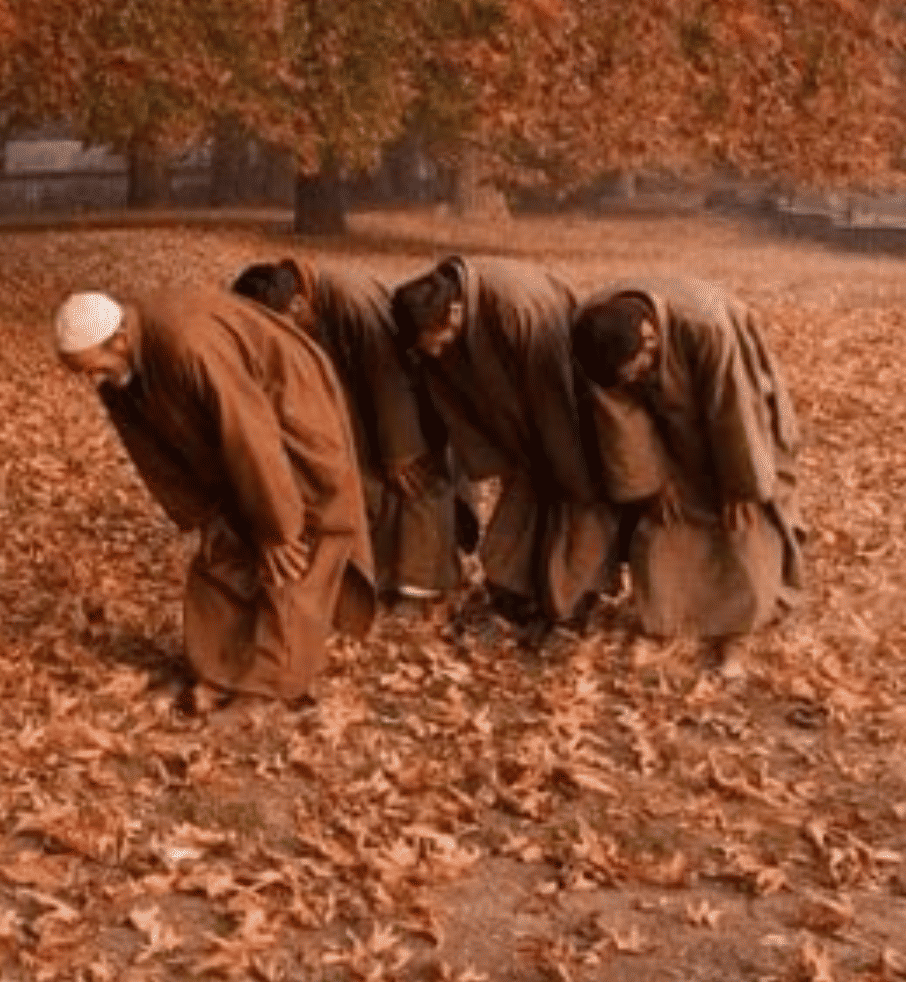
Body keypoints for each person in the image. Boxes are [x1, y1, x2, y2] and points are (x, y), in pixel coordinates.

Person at [52, 285, 378, 713]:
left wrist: (276, 527)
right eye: (84, 373)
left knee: (293, 557)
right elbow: (150, 450)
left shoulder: (189, 346)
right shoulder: (119, 367)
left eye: (94, 369)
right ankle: (221, 671)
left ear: (120, 339)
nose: (94, 382)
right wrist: (201, 509)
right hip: (235, 437)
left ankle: (270, 686)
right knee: (222, 544)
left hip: (292, 419)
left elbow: (250, 435)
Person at [572, 277, 803, 672]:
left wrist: (739, 484)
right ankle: (665, 620)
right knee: (663, 516)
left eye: (637, 369)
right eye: (626, 376)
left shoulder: (706, 325)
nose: (633, 379)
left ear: (650, 336)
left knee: (740, 518)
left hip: (736, 391)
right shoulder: (594, 328)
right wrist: (650, 480)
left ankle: (738, 630)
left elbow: (732, 407)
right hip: (664, 423)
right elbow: (619, 413)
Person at [389, 255, 625, 631]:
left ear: (454, 313)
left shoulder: (518, 308)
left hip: (558, 395)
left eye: (438, 340)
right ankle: (517, 594)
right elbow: (449, 387)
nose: (435, 351)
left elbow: (553, 397)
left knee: (574, 493)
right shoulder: (436, 303)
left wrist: (561, 463)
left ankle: (573, 597)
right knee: (524, 495)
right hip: (518, 407)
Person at [232, 258, 463, 606]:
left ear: (297, 304)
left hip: (408, 399)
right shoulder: (312, 299)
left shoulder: (350, 300)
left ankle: (422, 588)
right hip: (373, 400)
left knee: (416, 483)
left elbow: (387, 373)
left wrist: (398, 449)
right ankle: (383, 578)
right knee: (371, 486)